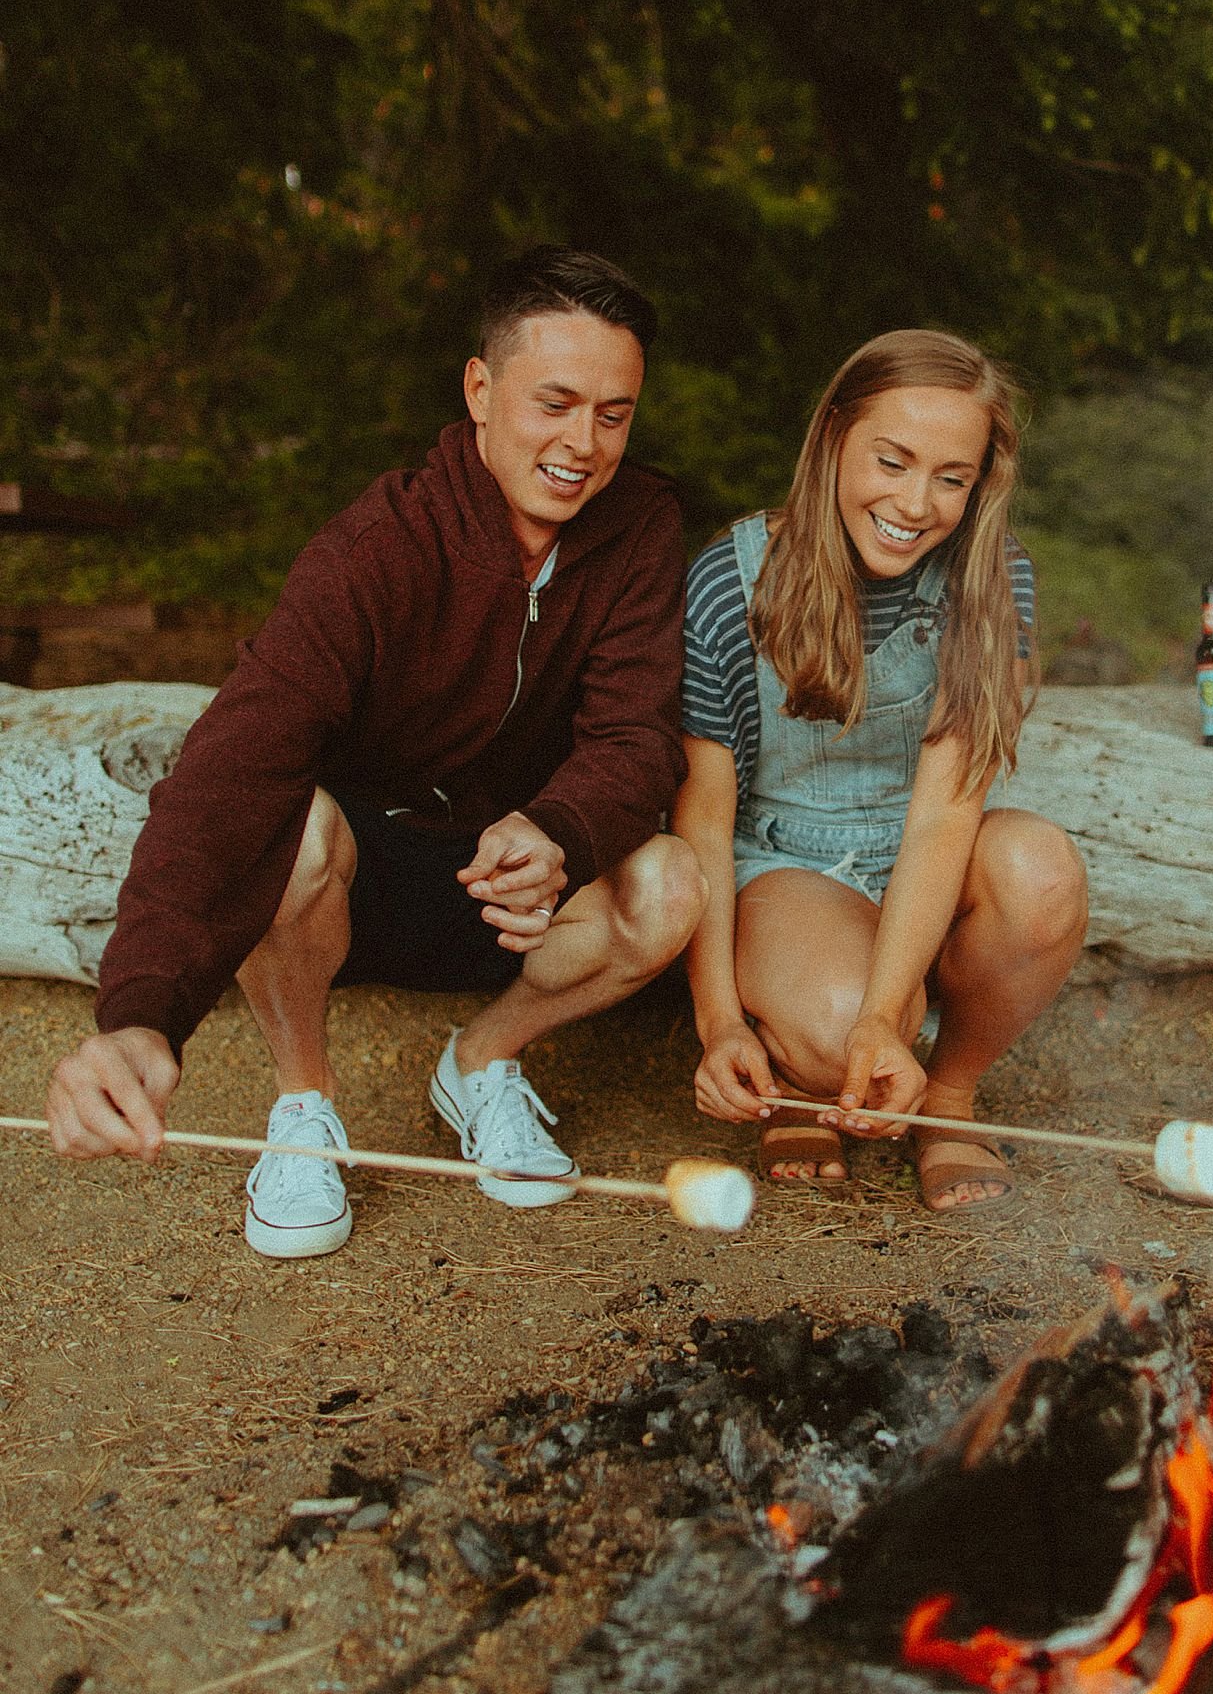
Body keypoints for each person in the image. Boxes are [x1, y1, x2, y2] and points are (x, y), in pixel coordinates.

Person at [44, 247, 705, 1257]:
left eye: (613, 413)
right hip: (357, 887)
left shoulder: (643, 526)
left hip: (517, 884)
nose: (584, 444)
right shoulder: (378, 548)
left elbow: (636, 737)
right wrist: (141, 1014)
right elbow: (230, 768)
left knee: (669, 883)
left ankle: (481, 1062)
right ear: (481, 390)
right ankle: (304, 1110)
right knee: (294, 823)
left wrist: (562, 829)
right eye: (556, 403)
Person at [673, 329, 1087, 1211]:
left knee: (1041, 872)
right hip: (786, 861)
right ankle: (808, 1071)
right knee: (834, 1038)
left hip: (919, 848)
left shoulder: (992, 576)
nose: (915, 502)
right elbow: (702, 823)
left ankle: (948, 1096)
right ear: (832, 439)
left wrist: (882, 1013)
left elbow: (945, 818)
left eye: (952, 477)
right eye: (892, 461)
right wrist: (721, 1025)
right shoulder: (730, 577)